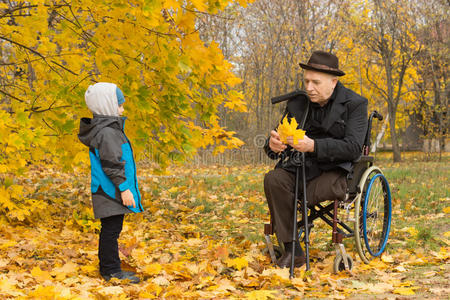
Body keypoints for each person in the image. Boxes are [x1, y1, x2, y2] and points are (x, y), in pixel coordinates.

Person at [264, 50, 368, 268]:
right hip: (301, 166)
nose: (309, 87)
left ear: (333, 82)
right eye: (306, 81)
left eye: (315, 82)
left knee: (306, 192)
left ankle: (295, 228)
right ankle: (294, 250)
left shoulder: (355, 104)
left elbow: (353, 147)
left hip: (335, 168)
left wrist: (314, 145)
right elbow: (277, 138)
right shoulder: (298, 104)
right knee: (274, 180)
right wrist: (273, 145)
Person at [78, 82, 144, 283]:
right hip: (109, 191)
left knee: (112, 229)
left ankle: (109, 267)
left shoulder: (110, 129)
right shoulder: (107, 132)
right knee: (111, 231)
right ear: (107, 105)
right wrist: (124, 189)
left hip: (109, 189)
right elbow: (112, 164)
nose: (122, 109)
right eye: (119, 105)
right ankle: (110, 271)